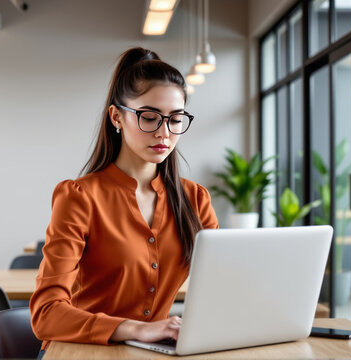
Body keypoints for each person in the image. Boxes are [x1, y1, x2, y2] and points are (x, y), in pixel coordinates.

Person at [29, 47, 219, 354]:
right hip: (81, 351)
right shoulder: (79, 198)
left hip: (152, 353)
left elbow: (221, 292)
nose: (164, 133)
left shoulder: (195, 200)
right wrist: (137, 330)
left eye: (175, 119)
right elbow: (46, 314)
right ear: (117, 117)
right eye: (149, 117)